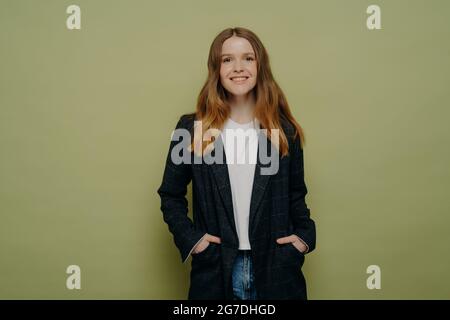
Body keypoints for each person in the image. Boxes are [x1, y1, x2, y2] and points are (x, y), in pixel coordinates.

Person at [157, 27, 316, 300]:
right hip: (215, 270)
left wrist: (303, 238)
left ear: (260, 66)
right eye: (227, 59)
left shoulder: (284, 130)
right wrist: (194, 241)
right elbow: (170, 195)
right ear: (216, 69)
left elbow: (295, 195)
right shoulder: (191, 129)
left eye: (248, 58)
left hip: (277, 270)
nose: (238, 67)